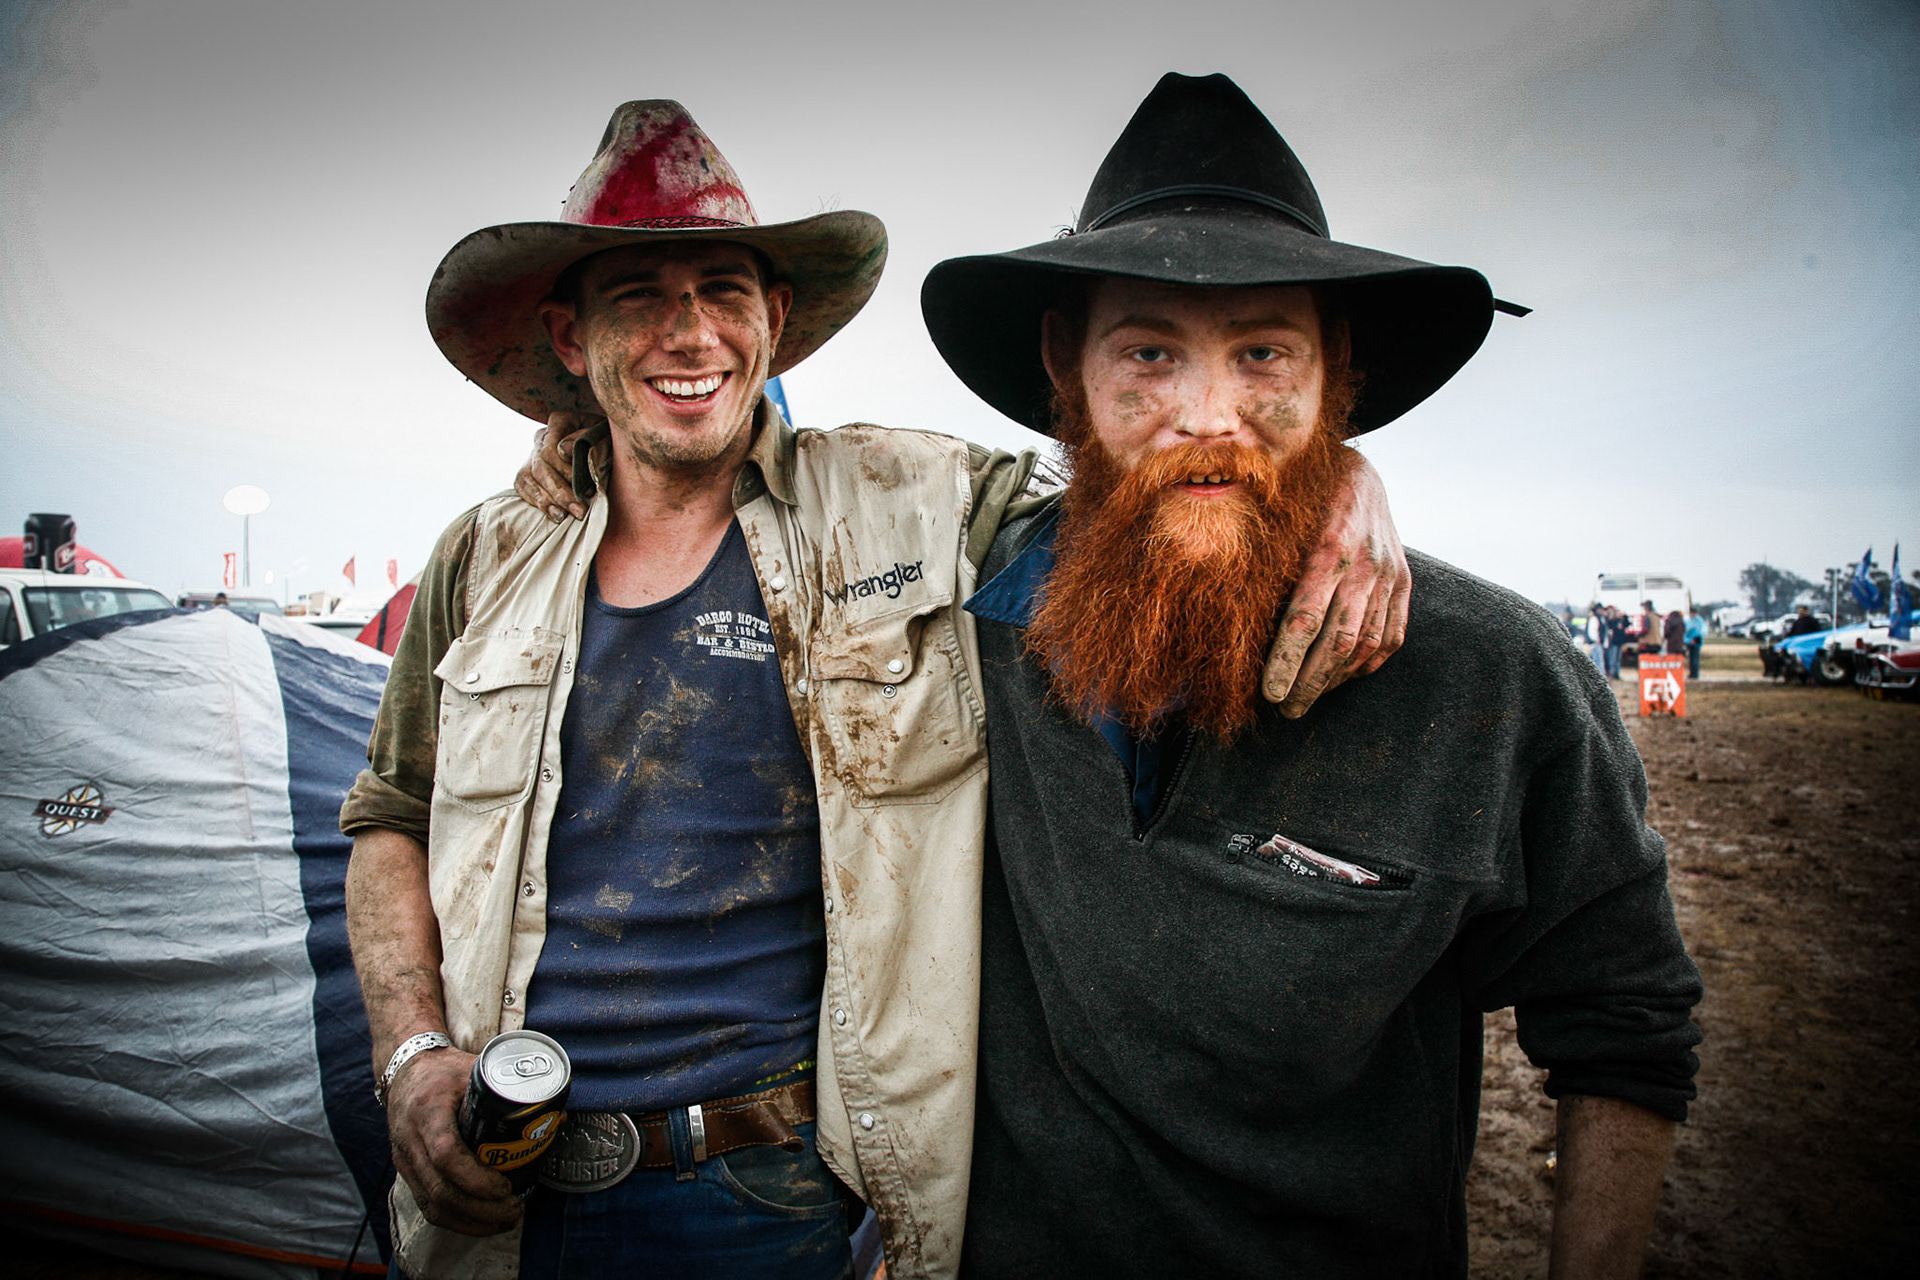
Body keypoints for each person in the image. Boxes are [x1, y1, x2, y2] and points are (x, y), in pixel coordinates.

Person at [347, 99, 1407, 1280]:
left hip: (765, 1185)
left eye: (724, 292)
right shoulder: (485, 555)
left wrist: (1341, 475)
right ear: (569, 333)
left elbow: (1159, 490)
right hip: (489, 1181)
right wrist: (410, 1053)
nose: (689, 333)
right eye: (639, 294)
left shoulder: (919, 500)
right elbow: (393, 813)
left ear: (777, 322)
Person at [911, 73, 1703, 1277]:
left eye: (1263, 350)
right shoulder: (951, 624)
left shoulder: (1497, 676)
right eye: (1148, 351)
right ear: (1064, 374)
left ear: (1340, 372)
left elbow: (1624, 1021)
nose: (1208, 412)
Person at [1685, 605, 1708, 678]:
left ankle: (1695, 674)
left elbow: (1703, 631)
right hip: (1689, 642)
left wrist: (1694, 639)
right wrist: (1688, 640)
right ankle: (1692, 673)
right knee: (1691, 658)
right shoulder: (1689, 620)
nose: (1692, 614)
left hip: (1696, 641)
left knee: (1695, 658)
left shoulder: (1699, 621)